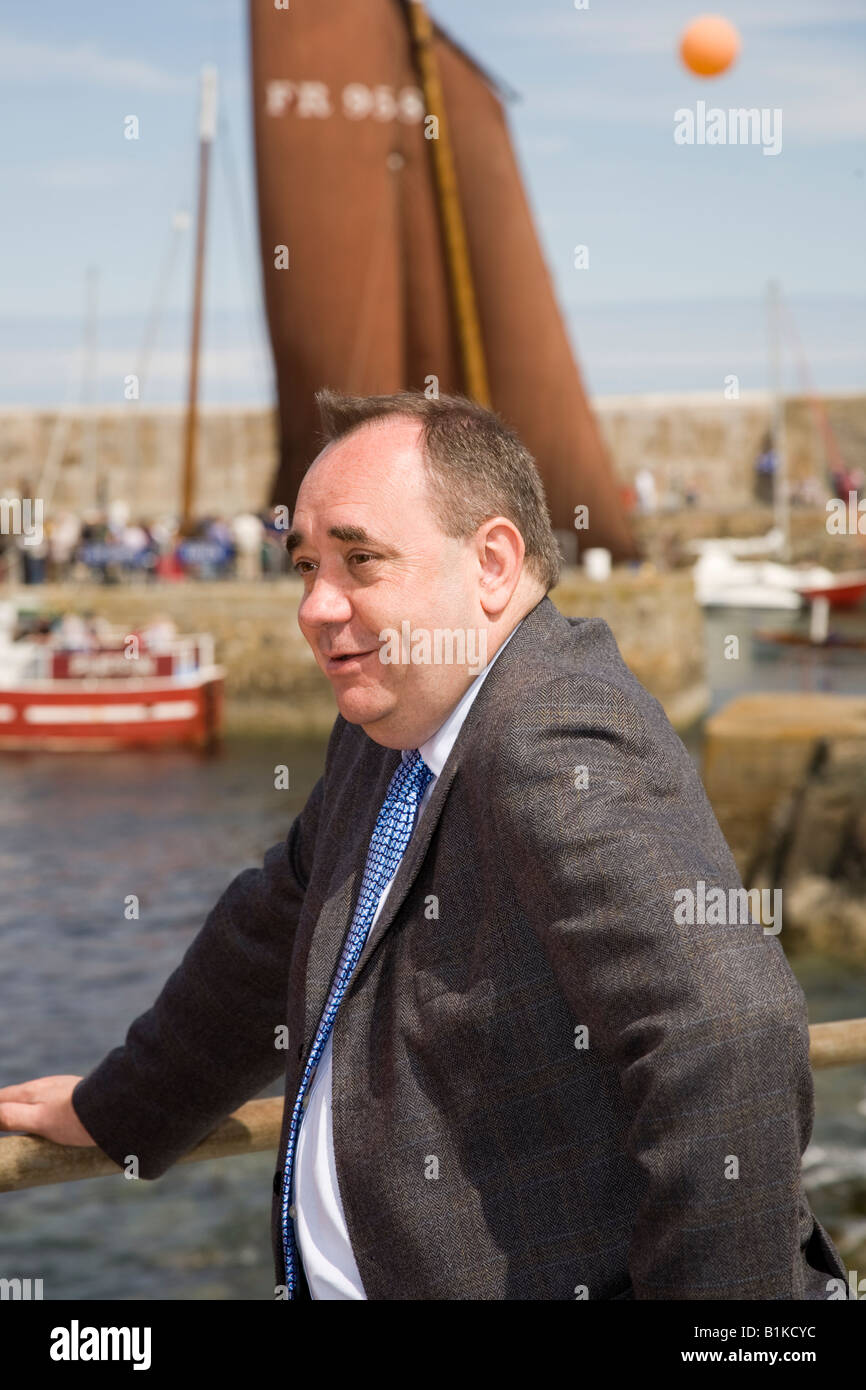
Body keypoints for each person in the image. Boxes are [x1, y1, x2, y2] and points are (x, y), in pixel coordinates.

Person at [0, 389, 849, 1301]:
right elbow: (281, 922)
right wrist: (122, 1107)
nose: (317, 608)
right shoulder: (393, 725)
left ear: (491, 564)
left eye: (361, 560)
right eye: (305, 567)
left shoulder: (546, 736)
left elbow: (730, 1032)